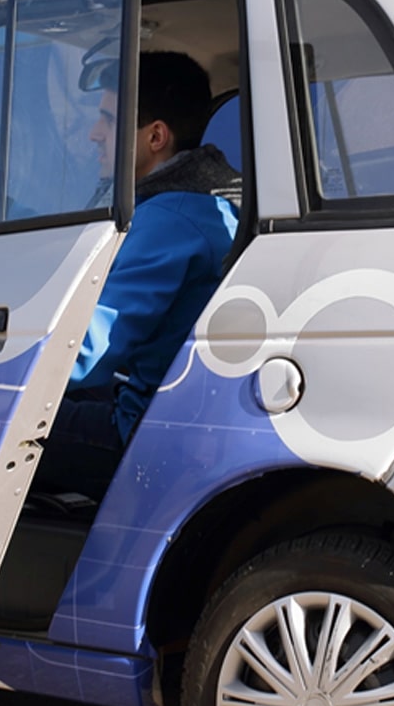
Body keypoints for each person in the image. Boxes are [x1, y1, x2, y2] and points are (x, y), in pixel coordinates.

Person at [17, 50, 240, 501]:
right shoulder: (211, 201)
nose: (94, 135)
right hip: (179, 416)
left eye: (107, 121)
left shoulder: (170, 218)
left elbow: (87, 353)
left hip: (138, 435)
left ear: (156, 135)